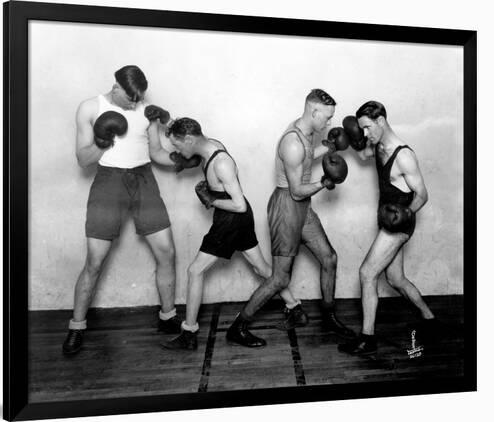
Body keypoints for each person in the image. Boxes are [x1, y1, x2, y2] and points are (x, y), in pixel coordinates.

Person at [62, 65, 199, 355]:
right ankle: (76, 326)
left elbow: (157, 152)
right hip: (108, 182)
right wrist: (103, 141)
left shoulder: (146, 111)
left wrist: (180, 160)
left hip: (143, 180)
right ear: (116, 88)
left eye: (140, 98)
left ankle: (167, 316)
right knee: (94, 261)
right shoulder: (90, 108)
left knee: (167, 252)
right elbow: (83, 159)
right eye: (131, 98)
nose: (136, 103)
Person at [226, 89, 355, 348]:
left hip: (302, 208)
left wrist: (328, 147)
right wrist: (325, 181)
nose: (329, 123)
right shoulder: (293, 142)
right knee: (280, 279)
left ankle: (328, 317)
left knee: (329, 258)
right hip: (287, 207)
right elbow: (296, 190)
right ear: (313, 111)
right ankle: (237, 327)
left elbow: (308, 157)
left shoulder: (306, 133)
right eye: (327, 117)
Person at [160, 117, 277, 350]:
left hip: (232, 218)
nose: (178, 151)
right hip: (237, 219)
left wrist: (212, 200)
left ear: (191, 139)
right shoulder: (210, 145)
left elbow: (239, 204)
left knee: (195, 270)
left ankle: (189, 334)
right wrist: (164, 122)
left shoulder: (221, 163)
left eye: (179, 145)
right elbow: (188, 146)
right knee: (262, 269)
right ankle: (295, 307)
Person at [338, 101, 437, 355]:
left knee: (367, 273)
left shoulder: (404, 155)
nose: (366, 133)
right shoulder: (377, 143)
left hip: (399, 221)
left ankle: (367, 338)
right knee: (396, 279)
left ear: (381, 120)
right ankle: (429, 319)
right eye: (363, 129)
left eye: (368, 128)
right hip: (386, 217)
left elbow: (422, 195)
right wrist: (350, 138)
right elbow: (363, 155)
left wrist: (405, 213)